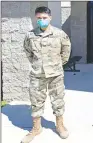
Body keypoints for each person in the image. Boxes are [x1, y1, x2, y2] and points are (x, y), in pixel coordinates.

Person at [22, 6, 71, 143]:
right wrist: (37, 64)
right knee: (36, 102)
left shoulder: (59, 34)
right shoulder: (30, 35)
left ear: (50, 18)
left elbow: (66, 51)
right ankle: (36, 128)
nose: (42, 20)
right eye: (39, 18)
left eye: (44, 18)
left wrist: (58, 64)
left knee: (58, 100)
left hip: (55, 74)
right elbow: (28, 52)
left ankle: (60, 125)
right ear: (35, 18)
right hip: (37, 74)